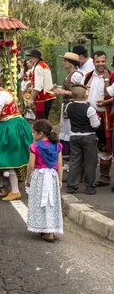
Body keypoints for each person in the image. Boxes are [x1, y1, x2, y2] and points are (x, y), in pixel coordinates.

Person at [0, 73, 33, 201]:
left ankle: (15, 191)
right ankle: (11, 189)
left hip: (8, 127)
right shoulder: (4, 93)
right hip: (12, 125)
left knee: (8, 158)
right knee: (8, 157)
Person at [26, 120, 63, 242]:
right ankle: (50, 230)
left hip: (39, 176)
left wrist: (27, 178)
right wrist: (60, 179)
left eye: (33, 132)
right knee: (51, 203)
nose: (32, 134)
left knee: (39, 201)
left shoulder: (35, 146)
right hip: (52, 176)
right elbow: (60, 163)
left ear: (40, 133)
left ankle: (44, 229)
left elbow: (31, 165)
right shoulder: (57, 145)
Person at [84, 51, 114, 187]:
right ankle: (84, 175)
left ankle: (104, 177)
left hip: (105, 116)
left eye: (103, 61)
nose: (101, 64)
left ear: (106, 61)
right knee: (88, 144)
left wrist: (106, 103)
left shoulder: (112, 76)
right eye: (98, 61)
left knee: (104, 145)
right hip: (89, 114)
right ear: (94, 62)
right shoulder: (88, 76)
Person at [65, 85, 100, 195]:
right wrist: (99, 120)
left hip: (74, 135)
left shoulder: (69, 106)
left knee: (75, 161)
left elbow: (66, 116)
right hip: (88, 136)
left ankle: (71, 186)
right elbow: (95, 125)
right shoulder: (89, 109)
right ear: (85, 96)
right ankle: (89, 187)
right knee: (90, 162)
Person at [55, 52, 83, 158]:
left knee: (70, 129)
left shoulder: (76, 75)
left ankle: (71, 156)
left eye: (65, 61)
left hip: (73, 106)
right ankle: (67, 157)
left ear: (70, 63)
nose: (63, 63)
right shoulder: (70, 74)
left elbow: (80, 93)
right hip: (68, 105)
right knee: (65, 129)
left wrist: (64, 92)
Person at [27, 50, 56, 119]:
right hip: (47, 96)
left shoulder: (38, 67)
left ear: (35, 58)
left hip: (42, 98)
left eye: (31, 57)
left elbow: (39, 86)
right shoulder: (44, 65)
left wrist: (31, 99)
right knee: (44, 118)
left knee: (41, 120)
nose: (30, 60)